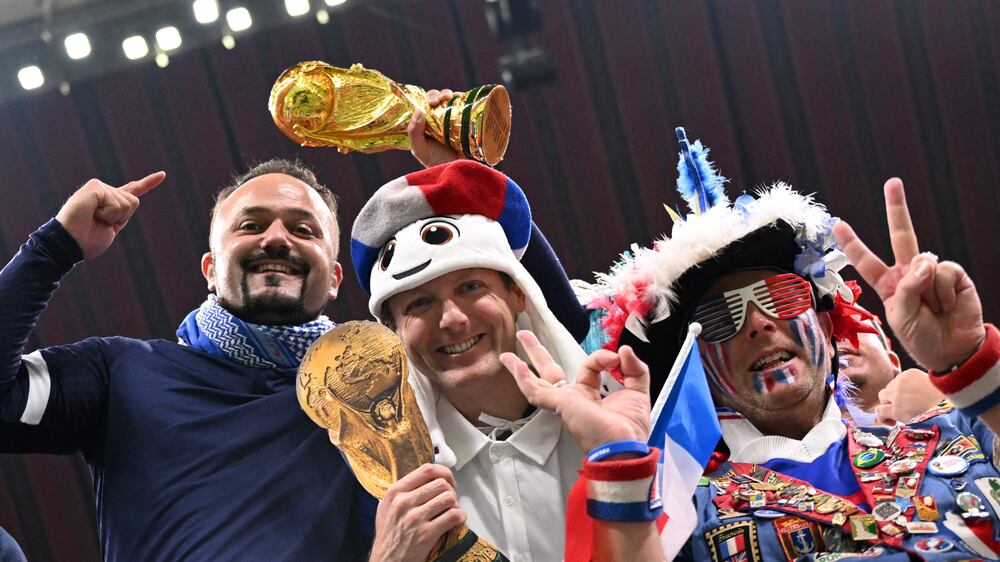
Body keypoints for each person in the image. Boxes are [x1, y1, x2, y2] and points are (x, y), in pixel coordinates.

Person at [574, 130, 1000, 560]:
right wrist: (621, 464)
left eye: (782, 297)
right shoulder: (688, 517)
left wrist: (968, 359)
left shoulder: (954, 429)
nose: (759, 322)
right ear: (697, 369)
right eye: (721, 318)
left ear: (827, 329)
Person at [0, 162, 379, 560]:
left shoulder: (380, 394)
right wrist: (53, 247)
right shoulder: (123, 371)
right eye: (251, 226)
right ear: (211, 270)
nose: (277, 239)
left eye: (303, 230)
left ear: (335, 279)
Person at [349, 160, 618, 562]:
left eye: (470, 287)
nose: (452, 320)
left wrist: (627, 467)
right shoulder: (377, 483)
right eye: (419, 303)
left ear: (518, 294)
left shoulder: (615, 431)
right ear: (393, 333)